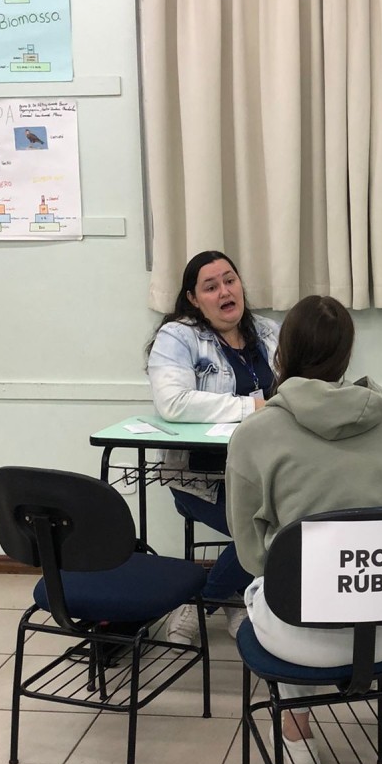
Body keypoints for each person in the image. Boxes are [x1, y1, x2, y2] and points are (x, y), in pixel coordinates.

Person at [225, 295, 382, 764]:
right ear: (346, 355)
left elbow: (249, 551)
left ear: (281, 353)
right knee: (298, 582)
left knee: (272, 584)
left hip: (301, 638)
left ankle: (296, 733)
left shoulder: (255, 433)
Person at [146, 250, 280, 641]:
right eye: (210, 286)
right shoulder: (178, 336)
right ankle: (213, 598)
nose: (225, 291)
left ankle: (217, 595)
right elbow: (173, 403)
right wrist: (253, 407)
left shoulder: (268, 332)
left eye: (230, 280)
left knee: (287, 521)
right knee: (267, 530)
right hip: (200, 478)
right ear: (193, 298)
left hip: (265, 472)